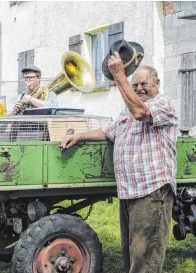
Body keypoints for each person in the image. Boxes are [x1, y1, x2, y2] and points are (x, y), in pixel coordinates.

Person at [61, 41, 178, 273]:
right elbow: (109, 131)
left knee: (146, 256)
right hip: (131, 190)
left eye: (144, 84)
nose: (139, 88)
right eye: (135, 85)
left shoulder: (163, 104)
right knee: (132, 251)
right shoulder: (128, 108)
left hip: (151, 191)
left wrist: (119, 76)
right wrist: (80, 136)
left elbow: (140, 113)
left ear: (157, 84)